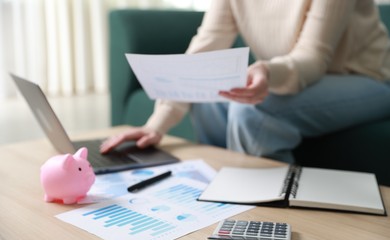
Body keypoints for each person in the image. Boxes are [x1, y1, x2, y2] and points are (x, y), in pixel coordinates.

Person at [101, 0, 390, 163]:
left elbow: (314, 57)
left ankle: (270, 209)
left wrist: (267, 71)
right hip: (296, 77)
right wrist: (156, 124)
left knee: (253, 110)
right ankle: (224, 189)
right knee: (211, 99)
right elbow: (207, 47)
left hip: (368, 78)